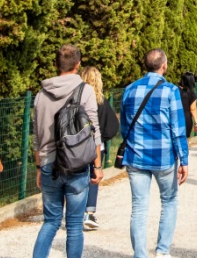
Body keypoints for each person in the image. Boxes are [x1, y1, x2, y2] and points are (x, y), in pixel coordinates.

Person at [32, 44, 102, 258]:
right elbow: (94, 131)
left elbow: (36, 137)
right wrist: (97, 166)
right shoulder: (85, 91)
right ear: (78, 65)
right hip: (77, 164)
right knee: (73, 225)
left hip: (48, 164)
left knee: (50, 222)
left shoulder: (40, 95)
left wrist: (38, 167)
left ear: (56, 64)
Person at [120, 49, 188, 258]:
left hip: (136, 156)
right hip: (163, 157)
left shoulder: (130, 89)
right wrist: (183, 159)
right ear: (164, 65)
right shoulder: (170, 91)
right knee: (169, 201)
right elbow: (177, 129)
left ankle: (140, 255)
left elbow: (124, 125)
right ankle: (162, 251)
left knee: (139, 207)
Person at [78, 66, 119, 232]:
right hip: (97, 146)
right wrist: (103, 138)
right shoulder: (101, 102)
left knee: (78, 178)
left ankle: (76, 212)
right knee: (94, 177)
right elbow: (113, 125)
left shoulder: (76, 99)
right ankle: (89, 212)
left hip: (77, 146)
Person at [178, 72, 197, 136]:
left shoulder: (175, 90)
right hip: (186, 119)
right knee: (185, 140)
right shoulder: (191, 93)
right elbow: (193, 109)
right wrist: (196, 123)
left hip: (175, 117)